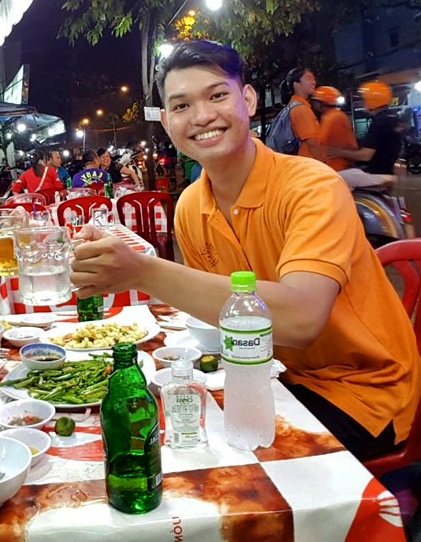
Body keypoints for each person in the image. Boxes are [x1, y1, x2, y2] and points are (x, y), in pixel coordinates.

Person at [70, 40, 420, 461]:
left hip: (363, 391)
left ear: (248, 99)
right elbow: (222, 315)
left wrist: (144, 271)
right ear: (166, 121)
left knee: (223, 467)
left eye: (218, 95)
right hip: (274, 374)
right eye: (181, 106)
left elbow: (302, 318)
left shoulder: (312, 187)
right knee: (157, 431)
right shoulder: (190, 206)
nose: (202, 116)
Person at [328, 81, 403, 190]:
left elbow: (365, 155)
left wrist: (338, 152)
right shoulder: (394, 117)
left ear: (372, 100)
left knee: (330, 179)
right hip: (388, 172)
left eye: (363, 99)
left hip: (374, 174)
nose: (362, 103)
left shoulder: (379, 121)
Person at [310, 85, 358, 172]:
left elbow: (321, 142)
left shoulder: (332, 118)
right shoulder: (335, 115)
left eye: (315, 102)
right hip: (337, 165)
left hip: (336, 166)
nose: (314, 105)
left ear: (322, 103)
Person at [280, 67, 323, 161]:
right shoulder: (301, 109)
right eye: (308, 78)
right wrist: (323, 163)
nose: (313, 82)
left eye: (313, 79)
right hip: (310, 163)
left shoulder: (295, 105)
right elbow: (312, 143)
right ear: (296, 84)